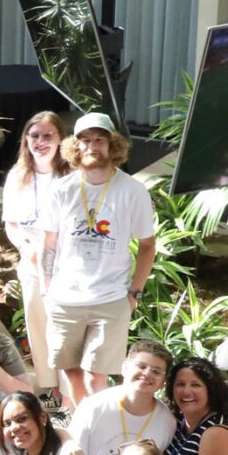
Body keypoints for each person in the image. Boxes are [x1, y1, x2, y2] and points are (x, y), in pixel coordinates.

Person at [35, 112, 158, 407]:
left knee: (96, 377)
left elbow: (147, 245)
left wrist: (134, 293)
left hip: (111, 296)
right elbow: (48, 242)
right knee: (73, 375)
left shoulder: (132, 190)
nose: (92, 147)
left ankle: (103, 428)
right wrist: (46, 289)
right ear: (75, 147)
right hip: (65, 297)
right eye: (85, 141)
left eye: (99, 140)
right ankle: (83, 427)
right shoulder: (61, 189)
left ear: (111, 144)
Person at [0, 111, 69, 391]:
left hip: (66, 264)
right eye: (34, 135)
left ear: (60, 139)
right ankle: (49, 387)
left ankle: (69, 389)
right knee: (38, 326)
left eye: (48, 136)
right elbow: (11, 223)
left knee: (64, 327)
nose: (41, 142)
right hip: (30, 261)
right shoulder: (18, 176)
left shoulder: (72, 175)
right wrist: (26, 247)